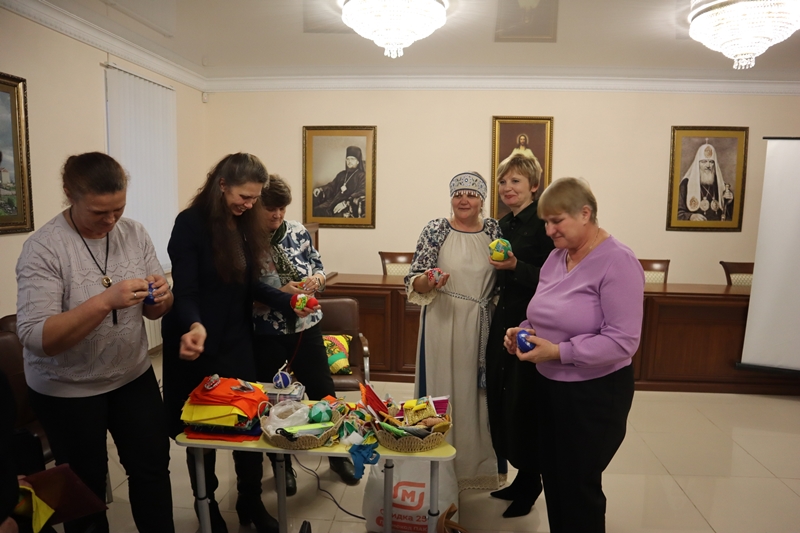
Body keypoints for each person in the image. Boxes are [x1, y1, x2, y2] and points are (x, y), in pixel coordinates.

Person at [15, 152, 175, 533]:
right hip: (66, 389)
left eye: (118, 209)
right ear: (70, 195)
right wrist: (105, 301)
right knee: (85, 489)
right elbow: (37, 337)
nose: (110, 221)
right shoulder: (44, 248)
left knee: (152, 466)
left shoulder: (134, 233)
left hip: (131, 375)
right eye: (99, 212)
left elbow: (156, 311)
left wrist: (163, 297)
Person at [161, 153, 312, 533]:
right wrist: (194, 324)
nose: (249, 205)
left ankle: (250, 500)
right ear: (222, 184)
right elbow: (186, 291)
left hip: (236, 339)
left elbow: (250, 285)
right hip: (196, 340)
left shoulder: (244, 224)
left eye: (255, 198)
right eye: (244, 197)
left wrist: (289, 300)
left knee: (249, 419)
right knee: (202, 428)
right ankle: (207, 504)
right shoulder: (189, 224)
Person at [503, 177, 644, 533]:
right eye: (545, 222)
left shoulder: (618, 262)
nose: (549, 230)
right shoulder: (556, 258)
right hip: (549, 386)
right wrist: (524, 331)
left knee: (578, 486)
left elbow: (623, 341)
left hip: (594, 393)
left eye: (557, 221)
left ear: (585, 213)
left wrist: (559, 351)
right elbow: (544, 313)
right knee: (555, 480)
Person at [252, 175, 358, 494]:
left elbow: (318, 266)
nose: (277, 215)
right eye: (270, 209)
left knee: (324, 391)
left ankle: (336, 456)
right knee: (274, 400)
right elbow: (241, 293)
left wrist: (317, 281)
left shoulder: (298, 231)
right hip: (266, 332)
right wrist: (280, 295)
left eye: (282, 209)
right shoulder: (245, 239)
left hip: (306, 328)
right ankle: (281, 465)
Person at [404, 171, 502, 491]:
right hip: (443, 321)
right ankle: (437, 469)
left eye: (471, 194)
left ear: (482, 200)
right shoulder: (436, 229)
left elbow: (503, 276)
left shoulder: (494, 230)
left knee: (477, 397)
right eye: (458, 194)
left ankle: (476, 469)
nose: (464, 200)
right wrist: (430, 280)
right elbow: (416, 280)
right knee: (442, 390)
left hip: (481, 323)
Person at [485, 154, 554, 518]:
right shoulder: (500, 225)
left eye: (515, 181)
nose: (507, 188)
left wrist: (516, 266)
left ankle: (531, 483)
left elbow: (555, 277)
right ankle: (517, 476)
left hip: (533, 323)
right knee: (504, 397)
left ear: (534, 186)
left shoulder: (544, 225)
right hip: (503, 320)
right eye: (503, 182)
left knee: (525, 402)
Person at [677, 142, 734, 221]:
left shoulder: (720, 185)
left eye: (711, 162)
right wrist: (690, 216)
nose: (708, 166)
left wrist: (729, 202)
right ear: (697, 163)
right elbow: (677, 213)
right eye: (704, 161)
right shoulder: (686, 184)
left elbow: (730, 216)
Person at [312, 146, 366, 218]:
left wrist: (346, 203)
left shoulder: (362, 175)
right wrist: (321, 189)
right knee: (317, 210)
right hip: (333, 201)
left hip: (349, 205)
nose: (349, 161)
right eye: (348, 159)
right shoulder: (341, 174)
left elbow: (362, 191)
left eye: (352, 159)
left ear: (358, 161)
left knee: (336, 215)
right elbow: (332, 186)